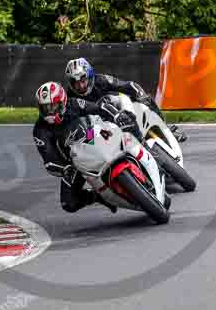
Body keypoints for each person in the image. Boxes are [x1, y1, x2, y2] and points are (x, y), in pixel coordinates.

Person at [33, 81, 148, 214]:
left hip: (92, 135)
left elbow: (98, 108)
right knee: (68, 203)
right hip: (75, 162)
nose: (49, 112)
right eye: (45, 108)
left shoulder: (74, 104)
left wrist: (117, 115)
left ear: (62, 101)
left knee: (126, 123)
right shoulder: (40, 131)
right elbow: (49, 159)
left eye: (52, 107)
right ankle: (98, 197)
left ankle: (142, 148)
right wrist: (64, 169)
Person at [64, 57, 187, 142]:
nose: (81, 86)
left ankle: (167, 131)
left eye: (83, 80)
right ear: (70, 83)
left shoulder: (101, 80)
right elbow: (71, 123)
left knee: (146, 100)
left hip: (118, 113)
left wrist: (141, 95)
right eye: (76, 83)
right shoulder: (69, 97)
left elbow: (127, 85)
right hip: (96, 129)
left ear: (90, 75)